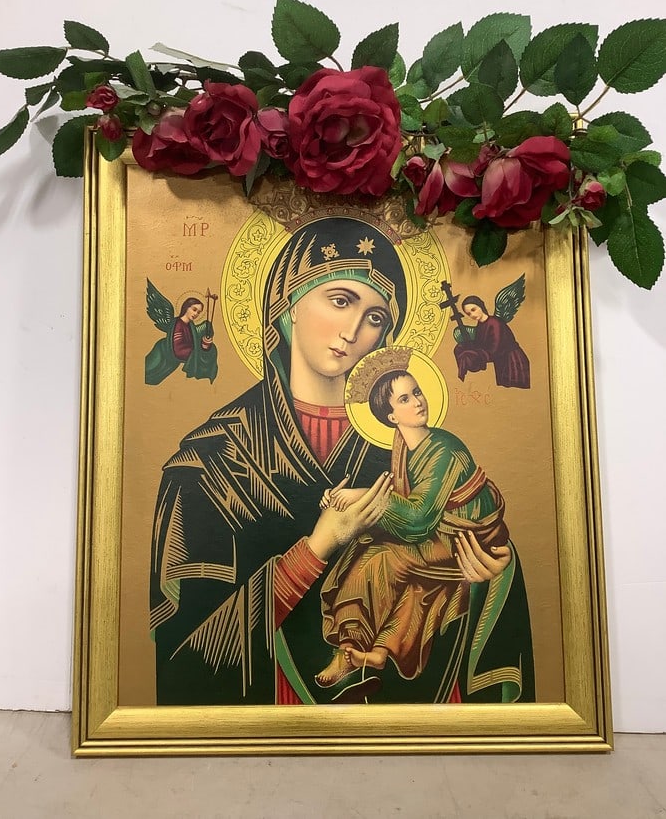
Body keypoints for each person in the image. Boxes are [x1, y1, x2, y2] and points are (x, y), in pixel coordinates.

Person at [150, 217, 533, 706]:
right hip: (267, 725)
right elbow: (184, 657)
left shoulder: (409, 445)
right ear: (288, 304)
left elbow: (462, 534)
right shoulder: (211, 459)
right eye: (340, 300)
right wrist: (316, 549)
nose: (353, 331)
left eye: (374, 317)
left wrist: (484, 574)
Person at [315, 354, 513, 691]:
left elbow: (419, 519)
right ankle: (374, 653)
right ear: (391, 416)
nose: (418, 401)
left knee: (379, 558)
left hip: (465, 540)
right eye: (405, 398)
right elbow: (408, 501)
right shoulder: (405, 448)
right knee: (410, 581)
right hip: (442, 535)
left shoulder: (445, 447)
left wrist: (361, 495)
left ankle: (349, 644)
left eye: (417, 392)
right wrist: (345, 500)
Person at [145, 288, 218, 385]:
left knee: (212, 349)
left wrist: (205, 345)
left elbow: (194, 340)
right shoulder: (178, 324)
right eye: (194, 310)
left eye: (198, 312)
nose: (196, 314)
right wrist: (198, 351)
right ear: (186, 307)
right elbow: (178, 348)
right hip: (169, 353)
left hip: (182, 354)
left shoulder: (190, 325)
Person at [454, 295, 530, 389]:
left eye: (473, 310)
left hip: (513, 362)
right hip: (501, 362)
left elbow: (495, 348)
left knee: (515, 391)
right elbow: (480, 344)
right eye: (469, 313)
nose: (472, 315)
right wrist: (465, 346)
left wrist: (475, 354)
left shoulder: (495, 323)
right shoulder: (480, 325)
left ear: (481, 306)